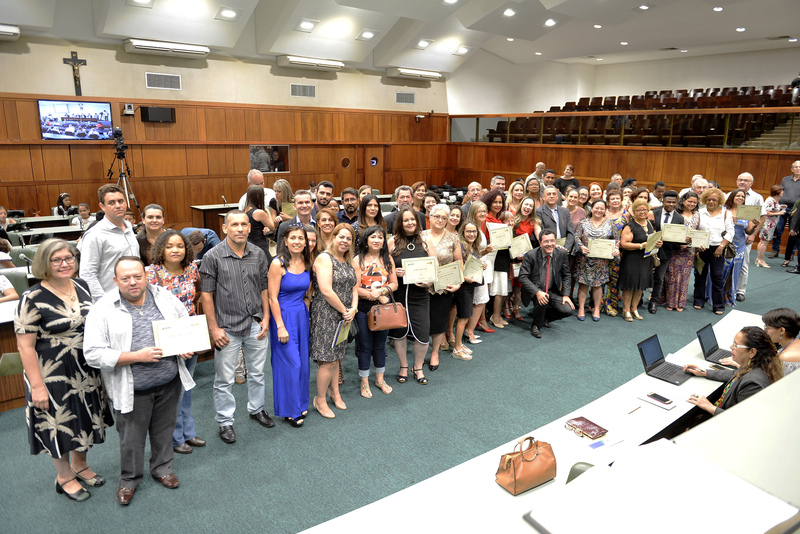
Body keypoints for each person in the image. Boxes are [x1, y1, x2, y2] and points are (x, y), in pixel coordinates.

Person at [84, 257, 194, 505]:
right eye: (126, 278)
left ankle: (162, 468)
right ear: (115, 280)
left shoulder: (163, 296)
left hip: (168, 381)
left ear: (146, 276)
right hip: (133, 387)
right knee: (131, 439)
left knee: (164, 430)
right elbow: (92, 354)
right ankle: (129, 480)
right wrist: (136, 356)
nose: (133, 282)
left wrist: (185, 344)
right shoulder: (102, 309)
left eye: (137, 276)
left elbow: (184, 322)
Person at [15, 239, 112, 503]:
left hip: (85, 368)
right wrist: (37, 386)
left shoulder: (81, 285)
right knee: (58, 423)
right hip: (52, 371)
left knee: (84, 417)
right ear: (44, 263)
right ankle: (64, 477)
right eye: (56, 260)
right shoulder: (31, 297)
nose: (64, 264)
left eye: (68, 258)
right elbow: (25, 346)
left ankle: (80, 465)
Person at [200, 210, 273, 444]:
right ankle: (225, 421)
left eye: (244, 224)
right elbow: (206, 295)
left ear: (250, 228)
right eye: (234, 225)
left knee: (258, 373)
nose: (240, 229)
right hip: (227, 328)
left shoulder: (258, 254)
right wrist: (214, 328)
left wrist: (266, 318)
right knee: (224, 379)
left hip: (255, 324)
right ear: (225, 228)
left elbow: (264, 288)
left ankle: (257, 409)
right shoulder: (212, 256)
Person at [145, 230, 205, 455]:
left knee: (187, 388)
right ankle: (175, 437)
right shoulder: (152, 273)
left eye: (180, 246)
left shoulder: (191, 268)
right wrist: (173, 344)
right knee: (172, 392)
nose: (175, 250)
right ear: (161, 248)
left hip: (190, 334)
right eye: (169, 246)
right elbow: (148, 308)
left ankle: (188, 432)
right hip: (168, 337)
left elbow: (196, 294)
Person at [310, 224, 358, 417]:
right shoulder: (324, 258)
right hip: (326, 314)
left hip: (344, 315)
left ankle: (335, 393)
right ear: (334, 237)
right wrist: (345, 310)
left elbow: (354, 287)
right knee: (327, 360)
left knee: (337, 357)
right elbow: (326, 290)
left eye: (349, 239)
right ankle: (320, 400)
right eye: (342, 237)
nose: (345, 241)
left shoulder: (348, 260)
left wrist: (353, 308)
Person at [268, 224, 313, 427]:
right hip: (283, 316)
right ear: (285, 241)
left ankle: (300, 403)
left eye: (301, 238)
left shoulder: (307, 261)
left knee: (302, 363)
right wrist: (280, 326)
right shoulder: (278, 264)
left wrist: (307, 308)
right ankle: (290, 410)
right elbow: (272, 298)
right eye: (293, 238)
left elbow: (307, 291)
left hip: (301, 315)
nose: (297, 241)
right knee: (290, 364)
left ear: (306, 242)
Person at [684, 327, 782, 416]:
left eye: (736, 345)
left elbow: (740, 419)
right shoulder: (754, 363)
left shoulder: (753, 383)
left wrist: (709, 406)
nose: (731, 347)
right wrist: (705, 372)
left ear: (752, 352)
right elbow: (735, 374)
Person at [388, 207, 433, 384]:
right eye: (406, 220)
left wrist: (429, 282)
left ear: (417, 221)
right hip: (398, 296)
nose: (410, 223)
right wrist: (394, 272)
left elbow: (434, 266)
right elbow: (384, 267)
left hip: (420, 296)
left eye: (412, 219)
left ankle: (418, 367)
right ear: (400, 223)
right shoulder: (392, 242)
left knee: (423, 333)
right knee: (399, 333)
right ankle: (404, 366)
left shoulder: (426, 241)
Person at [352, 225, 398, 398]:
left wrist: (382, 292)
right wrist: (374, 295)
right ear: (366, 240)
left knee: (380, 345)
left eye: (380, 237)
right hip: (363, 308)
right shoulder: (358, 260)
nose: (377, 240)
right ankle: (364, 382)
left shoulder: (388, 258)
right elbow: (355, 288)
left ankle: (380, 379)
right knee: (365, 346)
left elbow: (394, 284)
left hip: (383, 309)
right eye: (373, 237)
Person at [79, 184, 139, 301]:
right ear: (102, 206)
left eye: (120, 201)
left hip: (134, 296)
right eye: (111, 203)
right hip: (111, 300)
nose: (118, 206)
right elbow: (87, 274)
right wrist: (104, 302)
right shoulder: (95, 235)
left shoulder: (129, 227)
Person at [422, 204, 462, 371]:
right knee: (422, 321)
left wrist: (458, 284)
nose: (440, 220)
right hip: (421, 287)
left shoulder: (453, 238)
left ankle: (435, 353)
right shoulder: (420, 236)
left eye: (444, 218)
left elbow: (459, 263)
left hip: (442, 288)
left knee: (439, 322)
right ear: (430, 217)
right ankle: (420, 353)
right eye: (437, 216)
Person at [519, 230, 574, 338]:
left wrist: (566, 295)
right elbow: (523, 277)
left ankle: (543, 318)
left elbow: (566, 275)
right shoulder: (531, 255)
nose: (549, 244)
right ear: (540, 243)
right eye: (546, 241)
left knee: (568, 310)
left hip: (551, 289)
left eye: (552, 241)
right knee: (542, 299)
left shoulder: (561, 254)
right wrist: (537, 292)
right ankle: (535, 326)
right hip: (534, 289)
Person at [574, 199, 620, 322]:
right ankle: (581, 308)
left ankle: (597, 309)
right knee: (583, 284)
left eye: (602, 208)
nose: (599, 210)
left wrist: (616, 249)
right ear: (592, 208)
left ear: (605, 210)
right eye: (596, 208)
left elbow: (616, 239)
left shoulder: (610, 223)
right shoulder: (583, 223)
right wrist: (581, 247)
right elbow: (577, 237)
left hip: (601, 261)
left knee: (598, 285)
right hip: (584, 259)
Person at [619, 198, 662, 322]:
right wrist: (640, 246)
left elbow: (653, 238)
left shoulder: (649, 223)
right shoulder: (630, 226)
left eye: (644, 209)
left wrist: (659, 243)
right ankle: (626, 309)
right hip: (632, 260)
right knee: (629, 286)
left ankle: (634, 308)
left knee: (640, 286)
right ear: (633, 212)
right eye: (639, 210)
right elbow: (624, 244)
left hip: (646, 260)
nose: (642, 212)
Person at [714, 189, 759, 307]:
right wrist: (729, 220)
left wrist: (754, 226)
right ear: (732, 197)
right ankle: (715, 293)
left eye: (743, 197)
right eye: (738, 196)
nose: (740, 198)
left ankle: (726, 293)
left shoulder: (746, 212)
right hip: (724, 243)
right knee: (719, 269)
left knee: (732, 271)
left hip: (739, 246)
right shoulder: (724, 210)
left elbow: (748, 231)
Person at [693, 188, 734, 315]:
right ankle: (698, 300)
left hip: (718, 249)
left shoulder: (726, 213)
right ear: (705, 200)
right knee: (700, 275)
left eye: (714, 200)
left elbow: (730, 232)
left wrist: (721, 247)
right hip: (702, 248)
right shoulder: (699, 212)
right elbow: (695, 230)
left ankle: (718, 305)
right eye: (709, 199)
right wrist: (697, 245)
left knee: (717, 277)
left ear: (719, 200)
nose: (711, 202)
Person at [728, 172, 764, 302]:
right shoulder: (730, 194)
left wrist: (753, 234)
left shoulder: (757, 197)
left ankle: (740, 291)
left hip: (744, 237)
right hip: (728, 238)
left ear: (751, 183)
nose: (742, 182)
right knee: (726, 264)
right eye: (740, 179)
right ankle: (725, 289)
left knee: (742, 264)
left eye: (745, 180)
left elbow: (762, 217)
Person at [648, 191, 685, 314]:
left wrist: (685, 241)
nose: (671, 204)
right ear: (663, 201)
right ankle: (638, 300)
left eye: (674, 202)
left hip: (666, 252)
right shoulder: (654, 213)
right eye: (668, 202)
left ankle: (654, 302)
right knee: (644, 275)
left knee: (659, 278)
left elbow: (678, 239)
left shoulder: (679, 218)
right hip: (650, 249)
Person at [662, 192, 700, 311]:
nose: (692, 204)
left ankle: (680, 302)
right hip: (674, 248)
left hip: (689, 250)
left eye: (694, 202)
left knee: (684, 277)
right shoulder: (675, 213)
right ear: (683, 201)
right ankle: (670, 302)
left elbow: (698, 231)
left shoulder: (697, 215)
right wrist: (678, 243)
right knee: (671, 276)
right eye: (689, 201)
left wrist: (698, 245)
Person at [451, 222, 483, 359]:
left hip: (470, 285)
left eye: (474, 231)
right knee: (463, 317)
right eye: (468, 231)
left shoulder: (474, 246)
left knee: (465, 316)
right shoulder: (460, 246)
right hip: (463, 286)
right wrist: (465, 278)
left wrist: (482, 266)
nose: (472, 234)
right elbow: (456, 267)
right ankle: (457, 349)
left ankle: (459, 343)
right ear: (463, 232)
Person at [465, 201, 494, 341]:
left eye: (484, 211)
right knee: (479, 300)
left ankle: (469, 329)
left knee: (480, 300)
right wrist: (483, 253)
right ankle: (469, 330)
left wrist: (485, 251)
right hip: (474, 268)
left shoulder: (480, 227)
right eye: (480, 211)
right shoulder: (470, 228)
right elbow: (469, 252)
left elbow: (476, 251)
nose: (483, 213)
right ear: (473, 212)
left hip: (481, 267)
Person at [482, 190, 511, 329]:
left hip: (499, 256)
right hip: (488, 256)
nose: (498, 205)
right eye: (495, 202)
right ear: (489, 203)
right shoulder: (485, 219)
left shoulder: (499, 220)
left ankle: (494, 315)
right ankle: (483, 318)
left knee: (499, 287)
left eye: (500, 202)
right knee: (486, 289)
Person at [770, 161, 800, 258]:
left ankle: (790, 253)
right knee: (778, 229)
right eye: (796, 167)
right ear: (792, 169)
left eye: (799, 167)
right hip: (782, 207)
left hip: (796, 209)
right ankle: (775, 251)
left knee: (793, 231)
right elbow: (780, 192)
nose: (798, 169)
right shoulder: (785, 179)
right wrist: (777, 204)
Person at [244, 184, 275, 262]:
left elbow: (256, 225)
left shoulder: (245, 210)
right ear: (259, 196)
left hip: (249, 244)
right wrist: (268, 212)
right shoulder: (259, 212)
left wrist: (265, 227)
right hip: (260, 246)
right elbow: (272, 227)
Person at [757, 185, 785, 268]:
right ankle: (761, 260)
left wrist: (780, 207)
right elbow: (766, 212)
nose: (783, 193)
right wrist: (779, 213)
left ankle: (759, 259)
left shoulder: (774, 200)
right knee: (764, 243)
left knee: (763, 242)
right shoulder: (770, 200)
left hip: (771, 225)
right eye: (782, 191)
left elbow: (772, 209)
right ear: (777, 192)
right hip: (767, 225)